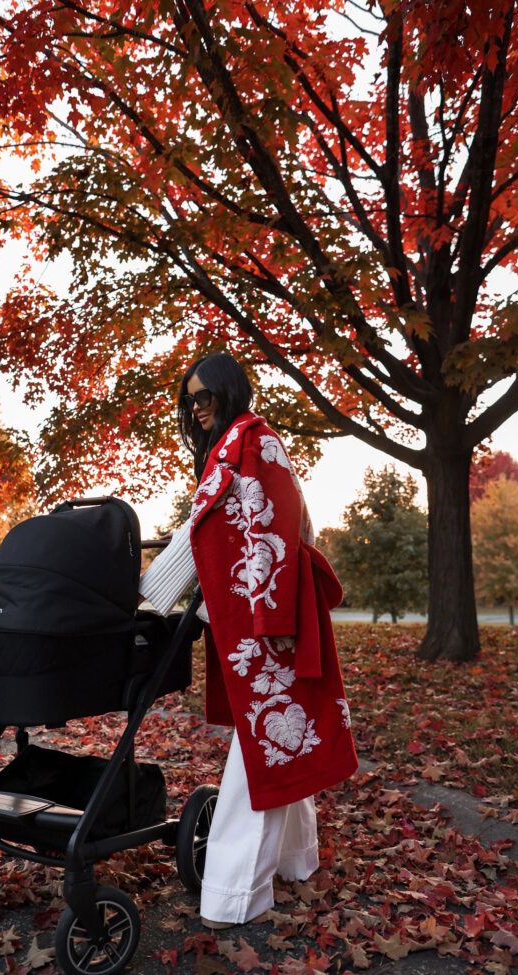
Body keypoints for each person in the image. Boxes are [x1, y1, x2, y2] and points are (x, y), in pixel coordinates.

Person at [139, 351, 358, 929]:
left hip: (270, 620)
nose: (196, 407)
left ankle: (232, 894)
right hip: (268, 614)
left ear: (231, 392)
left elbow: (231, 529)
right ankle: (297, 861)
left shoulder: (248, 441)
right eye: (189, 400)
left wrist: (147, 593)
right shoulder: (250, 445)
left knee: (262, 748)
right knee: (288, 734)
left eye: (204, 395)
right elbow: (252, 527)